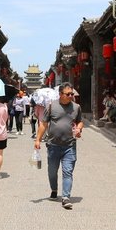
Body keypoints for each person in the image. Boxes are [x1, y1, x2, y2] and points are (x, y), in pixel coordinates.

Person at [34, 82, 83, 210]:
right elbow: (44, 124)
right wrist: (38, 139)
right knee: (52, 172)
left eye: (72, 93)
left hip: (69, 146)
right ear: (60, 94)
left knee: (68, 172)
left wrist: (78, 129)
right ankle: (54, 190)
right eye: (68, 94)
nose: (71, 96)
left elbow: (80, 121)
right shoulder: (51, 106)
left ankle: (66, 197)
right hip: (53, 145)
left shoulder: (76, 107)